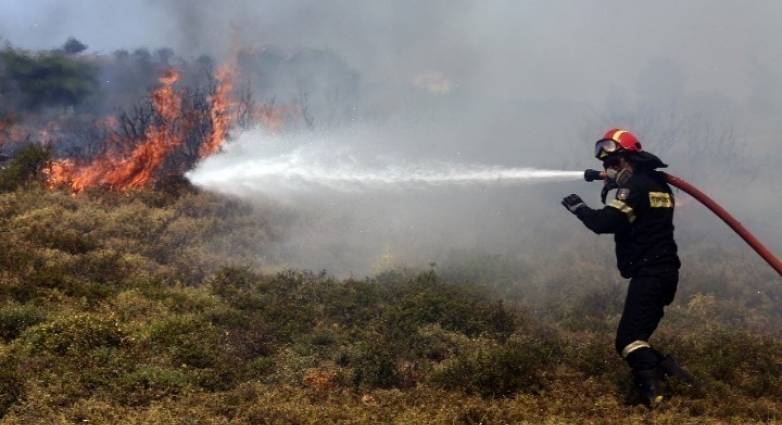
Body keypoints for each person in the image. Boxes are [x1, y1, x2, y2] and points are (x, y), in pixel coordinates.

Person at [561, 128, 692, 407]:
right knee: (636, 338)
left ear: (630, 158)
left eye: (614, 162)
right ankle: (682, 382)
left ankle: (655, 396)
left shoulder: (635, 187)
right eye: (606, 164)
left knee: (628, 340)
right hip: (663, 272)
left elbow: (604, 223)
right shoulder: (657, 185)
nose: (610, 168)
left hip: (651, 273)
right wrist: (614, 184)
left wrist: (579, 207)